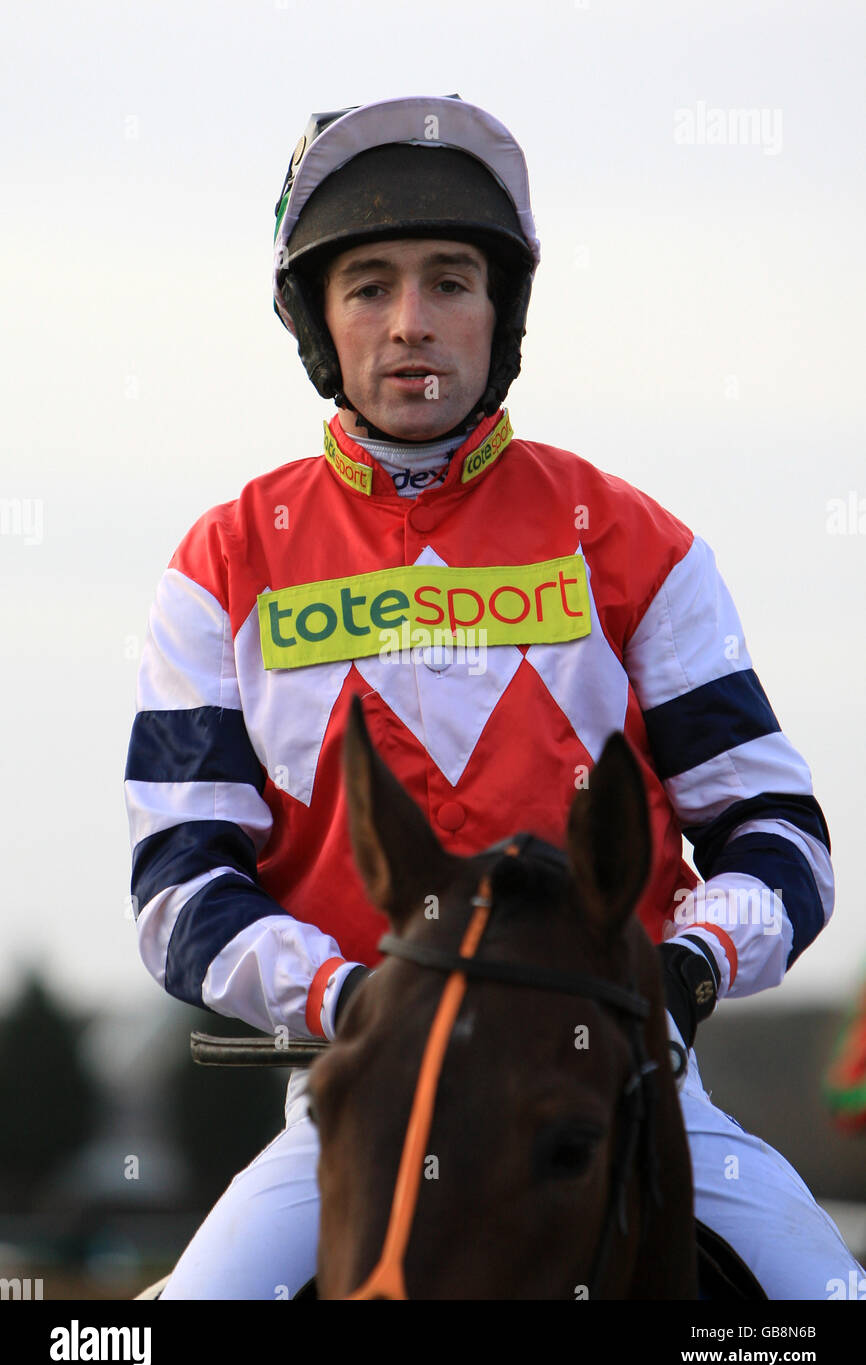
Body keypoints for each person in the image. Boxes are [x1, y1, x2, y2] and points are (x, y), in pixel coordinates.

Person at [124, 94, 862, 1298]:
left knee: (823, 1301)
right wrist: (361, 1001)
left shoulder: (633, 540)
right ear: (319, 319)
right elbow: (178, 882)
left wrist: (681, 971)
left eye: (450, 280)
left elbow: (780, 839)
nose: (411, 323)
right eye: (368, 284)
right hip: (358, 1096)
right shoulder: (222, 562)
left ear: (499, 310)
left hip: (624, 1073)